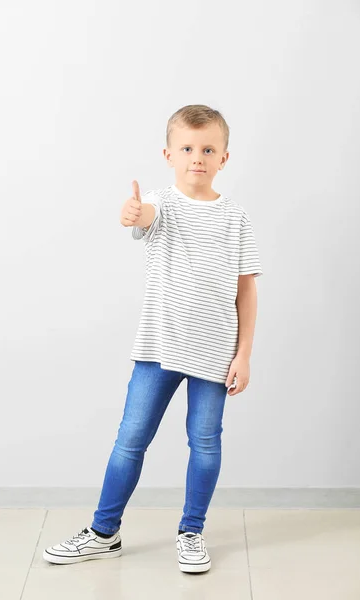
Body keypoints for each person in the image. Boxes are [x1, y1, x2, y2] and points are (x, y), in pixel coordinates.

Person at [43, 104, 263, 574]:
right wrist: (133, 212)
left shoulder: (236, 217)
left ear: (224, 157)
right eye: (187, 148)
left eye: (208, 149)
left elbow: (247, 289)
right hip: (159, 350)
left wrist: (244, 355)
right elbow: (143, 217)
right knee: (130, 441)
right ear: (169, 154)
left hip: (215, 352)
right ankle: (104, 532)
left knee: (205, 443)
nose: (197, 157)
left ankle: (191, 531)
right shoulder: (162, 205)